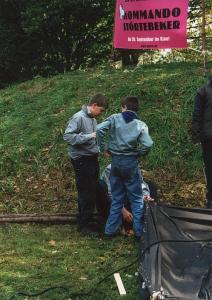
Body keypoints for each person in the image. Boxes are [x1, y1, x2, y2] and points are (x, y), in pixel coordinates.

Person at [97, 96, 153, 238]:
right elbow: (148, 144)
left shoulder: (114, 118)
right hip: (130, 163)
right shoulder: (140, 124)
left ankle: (109, 231)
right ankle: (139, 232)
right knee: (136, 199)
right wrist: (138, 153)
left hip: (115, 162)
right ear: (136, 109)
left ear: (124, 107)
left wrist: (104, 148)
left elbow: (99, 129)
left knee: (116, 198)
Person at [63, 93, 108, 236]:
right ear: (94, 105)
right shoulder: (78, 117)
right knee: (86, 192)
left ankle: (87, 219)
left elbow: (94, 139)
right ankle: (84, 226)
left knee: (93, 189)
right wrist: (89, 136)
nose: (101, 114)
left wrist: (103, 149)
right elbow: (68, 136)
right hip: (81, 160)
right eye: (100, 110)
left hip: (92, 158)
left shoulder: (92, 119)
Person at [96, 164, 158, 235]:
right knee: (100, 186)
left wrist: (146, 196)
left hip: (127, 198)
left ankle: (146, 220)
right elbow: (110, 194)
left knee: (151, 186)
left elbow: (141, 184)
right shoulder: (110, 169)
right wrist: (123, 210)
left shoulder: (134, 166)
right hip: (112, 204)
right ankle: (118, 225)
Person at [192, 76, 212, 209]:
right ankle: (211, 201)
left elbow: (196, 115)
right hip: (209, 137)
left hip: (207, 136)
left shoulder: (203, 91)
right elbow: (197, 115)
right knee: (210, 168)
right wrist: (197, 135)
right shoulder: (203, 92)